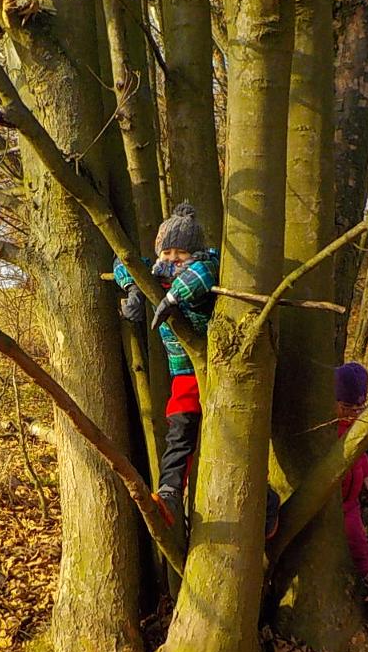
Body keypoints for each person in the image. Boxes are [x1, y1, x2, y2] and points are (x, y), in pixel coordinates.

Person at [115, 203, 280, 537]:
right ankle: (170, 494)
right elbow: (124, 262)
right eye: (167, 252)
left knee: (231, 442)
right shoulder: (156, 274)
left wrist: (171, 299)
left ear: (194, 251)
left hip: (219, 372)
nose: (173, 259)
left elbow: (203, 273)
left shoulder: (206, 267)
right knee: (180, 431)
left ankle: (266, 503)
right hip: (184, 374)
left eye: (181, 252)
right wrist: (133, 288)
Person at [335, 361, 368, 579]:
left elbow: (360, 454)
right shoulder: (328, 429)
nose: (352, 414)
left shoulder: (355, 426)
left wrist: (367, 475)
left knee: (359, 543)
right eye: (346, 407)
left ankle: (364, 578)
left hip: (351, 503)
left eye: (358, 409)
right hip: (332, 502)